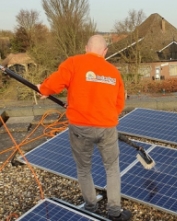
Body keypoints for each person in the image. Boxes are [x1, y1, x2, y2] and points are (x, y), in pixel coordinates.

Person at [37, 35, 132, 221]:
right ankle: (115, 212)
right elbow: (119, 103)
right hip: (107, 127)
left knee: (83, 168)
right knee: (112, 169)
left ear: (86, 48)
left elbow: (53, 84)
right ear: (104, 52)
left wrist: (43, 89)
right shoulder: (113, 72)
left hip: (80, 127)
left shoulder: (74, 63)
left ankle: (91, 207)